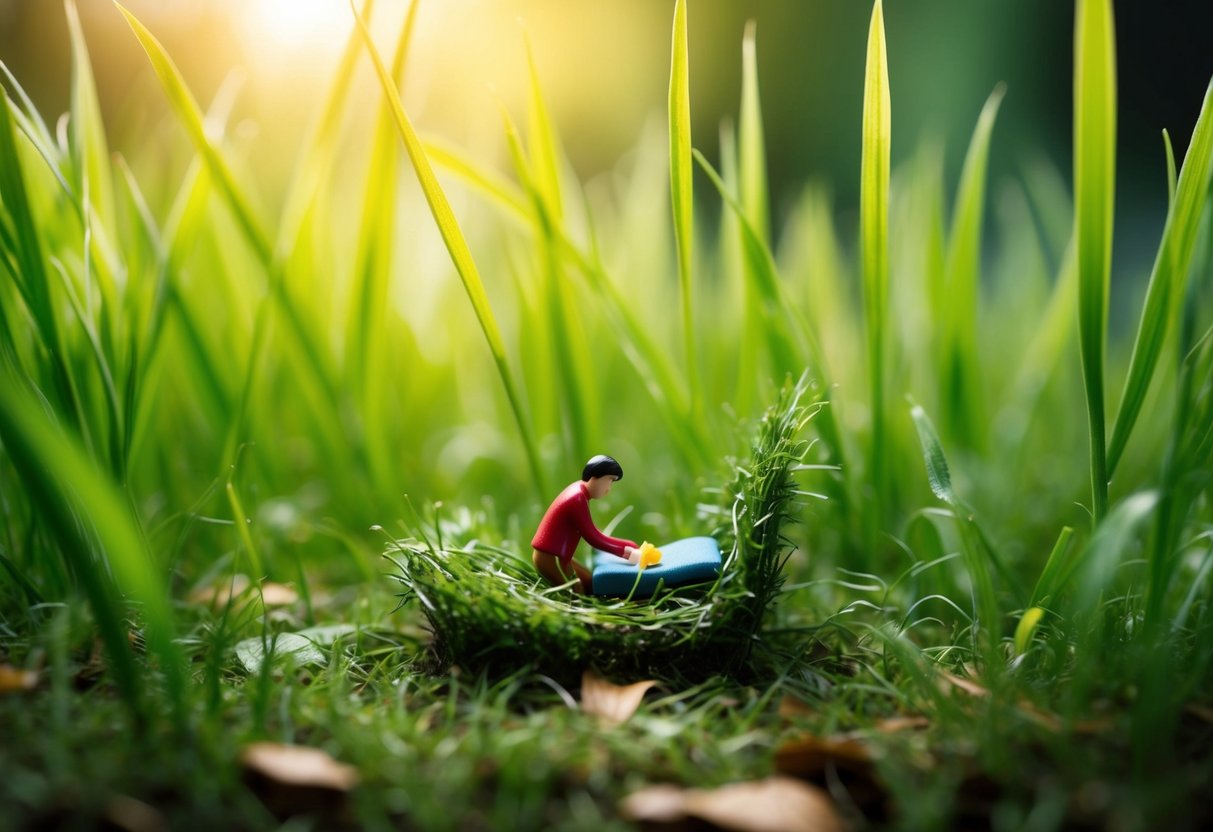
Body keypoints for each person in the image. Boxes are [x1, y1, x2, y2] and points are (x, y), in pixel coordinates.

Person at [531, 454, 641, 594]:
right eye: (609, 481)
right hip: (550, 558)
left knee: (589, 581)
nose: (608, 488)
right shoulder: (576, 498)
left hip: (560, 557)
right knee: (576, 590)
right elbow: (593, 537)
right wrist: (626, 549)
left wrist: (628, 546)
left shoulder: (580, 492)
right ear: (595, 477)